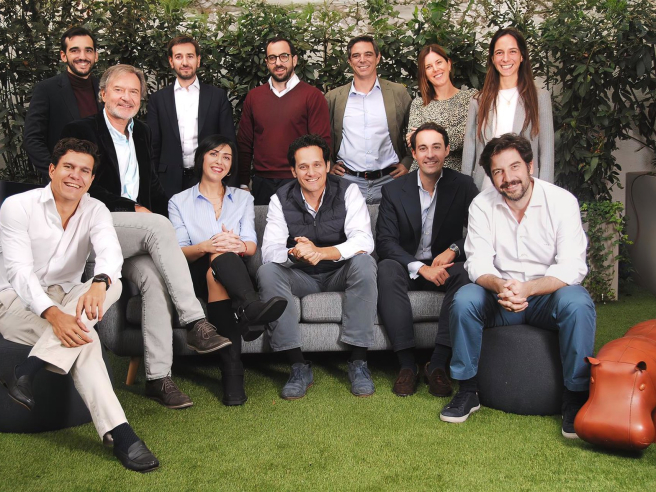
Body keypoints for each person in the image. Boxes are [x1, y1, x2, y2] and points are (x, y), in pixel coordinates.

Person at [61, 64, 231, 410]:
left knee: (154, 280)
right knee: (158, 226)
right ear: (103, 94)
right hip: (95, 225)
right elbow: (81, 186)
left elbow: (150, 183)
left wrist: (169, 209)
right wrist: (134, 208)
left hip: (133, 233)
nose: (126, 97)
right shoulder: (81, 130)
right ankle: (195, 321)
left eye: (134, 92)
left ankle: (158, 378)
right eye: (119, 90)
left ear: (141, 99)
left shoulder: (142, 132)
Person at [0, 138, 159, 472]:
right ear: (52, 169)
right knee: (85, 340)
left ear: (91, 178)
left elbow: (110, 253)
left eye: (84, 171)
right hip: (14, 300)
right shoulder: (17, 206)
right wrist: (52, 314)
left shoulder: (95, 209)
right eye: (69, 167)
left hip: (69, 296)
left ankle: (28, 370)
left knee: (112, 283)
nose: (76, 176)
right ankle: (122, 435)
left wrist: (99, 283)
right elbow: (18, 273)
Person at [440, 133, 595, 441]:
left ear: (530, 166)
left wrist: (529, 289)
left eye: (514, 167)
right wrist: (501, 286)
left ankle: (575, 397)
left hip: (547, 296)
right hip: (500, 296)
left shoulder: (561, 202)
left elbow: (572, 266)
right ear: (490, 176)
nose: (508, 178)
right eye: (498, 171)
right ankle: (468, 390)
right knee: (465, 298)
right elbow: (478, 262)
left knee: (578, 303)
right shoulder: (481, 205)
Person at [168, 135, 287, 405]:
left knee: (219, 268)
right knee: (216, 257)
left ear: (231, 166)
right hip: (193, 271)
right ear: (201, 158)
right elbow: (179, 251)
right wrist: (208, 246)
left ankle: (232, 371)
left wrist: (237, 245)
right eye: (213, 154)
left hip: (233, 272)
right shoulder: (179, 201)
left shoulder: (243, 198)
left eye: (226, 157)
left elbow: (251, 245)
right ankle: (249, 309)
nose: (219, 161)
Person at [256, 134, 377, 399]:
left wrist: (321, 253)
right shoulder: (280, 198)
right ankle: (298, 366)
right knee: (267, 271)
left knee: (365, 262)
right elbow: (270, 252)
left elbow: (364, 241)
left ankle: (358, 362)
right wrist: (296, 252)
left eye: (317, 165)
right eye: (303, 167)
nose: (311, 173)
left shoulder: (348, 191)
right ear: (293, 171)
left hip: (338, 272)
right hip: (302, 276)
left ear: (327, 165)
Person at [376, 122, 478, 397]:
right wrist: (421, 268)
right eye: (422, 148)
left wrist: (454, 249)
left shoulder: (464, 186)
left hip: (444, 268)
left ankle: (438, 364)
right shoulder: (394, 190)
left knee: (467, 272)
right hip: (408, 268)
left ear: (447, 150)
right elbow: (385, 242)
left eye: (436, 147)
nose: (430, 154)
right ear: (414, 153)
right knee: (386, 268)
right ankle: (407, 365)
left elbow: (482, 232)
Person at [237, 36, 331, 205]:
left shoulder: (312, 96)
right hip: (262, 183)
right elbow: (244, 143)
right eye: (272, 58)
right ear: (267, 62)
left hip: (300, 181)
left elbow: (321, 144)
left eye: (284, 56)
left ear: (294, 60)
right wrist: (243, 182)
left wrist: (316, 181)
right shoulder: (254, 97)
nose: (278, 63)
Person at [461, 27, 554, 190]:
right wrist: (465, 191)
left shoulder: (539, 98)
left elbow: (546, 152)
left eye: (512, 51)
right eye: (499, 52)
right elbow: (469, 151)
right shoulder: (478, 100)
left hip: (525, 189)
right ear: (492, 58)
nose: (505, 58)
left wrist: (544, 192)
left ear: (522, 56)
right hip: (486, 187)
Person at [326, 35, 412, 204]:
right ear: (350, 61)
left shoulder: (397, 93)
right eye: (356, 55)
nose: (362, 60)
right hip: (347, 182)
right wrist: (327, 163)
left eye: (368, 54)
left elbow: (415, 129)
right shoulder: (334, 97)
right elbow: (321, 136)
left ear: (378, 58)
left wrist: (408, 161)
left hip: (390, 180)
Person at [147, 36, 236, 197]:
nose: (185, 62)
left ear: (198, 60)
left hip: (208, 178)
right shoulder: (158, 99)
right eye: (178, 57)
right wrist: (153, 184)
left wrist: (230, 184)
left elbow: (228, 142)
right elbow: (153, 147)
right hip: (167, 182)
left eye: (190, 56)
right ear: (171, 61)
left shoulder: (217, 97)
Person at [23, 27, 102, 180]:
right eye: (75, 50)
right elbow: (32, 139)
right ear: (63, 56)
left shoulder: (105, 89)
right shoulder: (47, 90)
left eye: (88, 50)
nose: (82, 56)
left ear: (95, 56)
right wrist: (57, 173)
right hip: (64, 183)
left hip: (102, 182)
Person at [407, 44, 476, 173]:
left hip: (457, 175)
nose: (435, 69)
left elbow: (469, 136)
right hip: (421, 175)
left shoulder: (471, 98)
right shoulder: (419, 103)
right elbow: (414, 143)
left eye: (438, 62)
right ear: (425, 74)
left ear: (448, 64)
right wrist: (451, 134)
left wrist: (425, 135)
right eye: (428, 67)